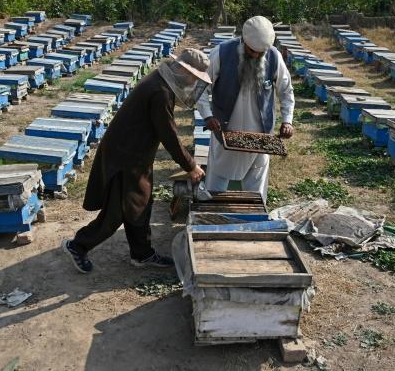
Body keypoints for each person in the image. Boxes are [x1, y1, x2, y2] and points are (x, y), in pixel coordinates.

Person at [63, 48, 210, 273]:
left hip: (136, 155)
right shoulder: (160, 91)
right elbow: (168, 135)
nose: (193, 83)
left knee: (141, 202)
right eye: (193, 77)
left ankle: (142, 254)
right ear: (182, 69)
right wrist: (191, 166)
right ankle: (78, 245)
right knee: (118, 211)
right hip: (125, 156)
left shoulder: (160, 81)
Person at [196, 16, 294, 200]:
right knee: (216, 189)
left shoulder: (274, 56)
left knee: (256, 193)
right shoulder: (221, 53)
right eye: (252, 51)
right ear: (243, 40)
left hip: (260, 139)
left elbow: (286, 91)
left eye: (260, 52)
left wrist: (287, 120)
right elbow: (200, 88)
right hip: (225, 134)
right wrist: (208, 116)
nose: (256, 55)